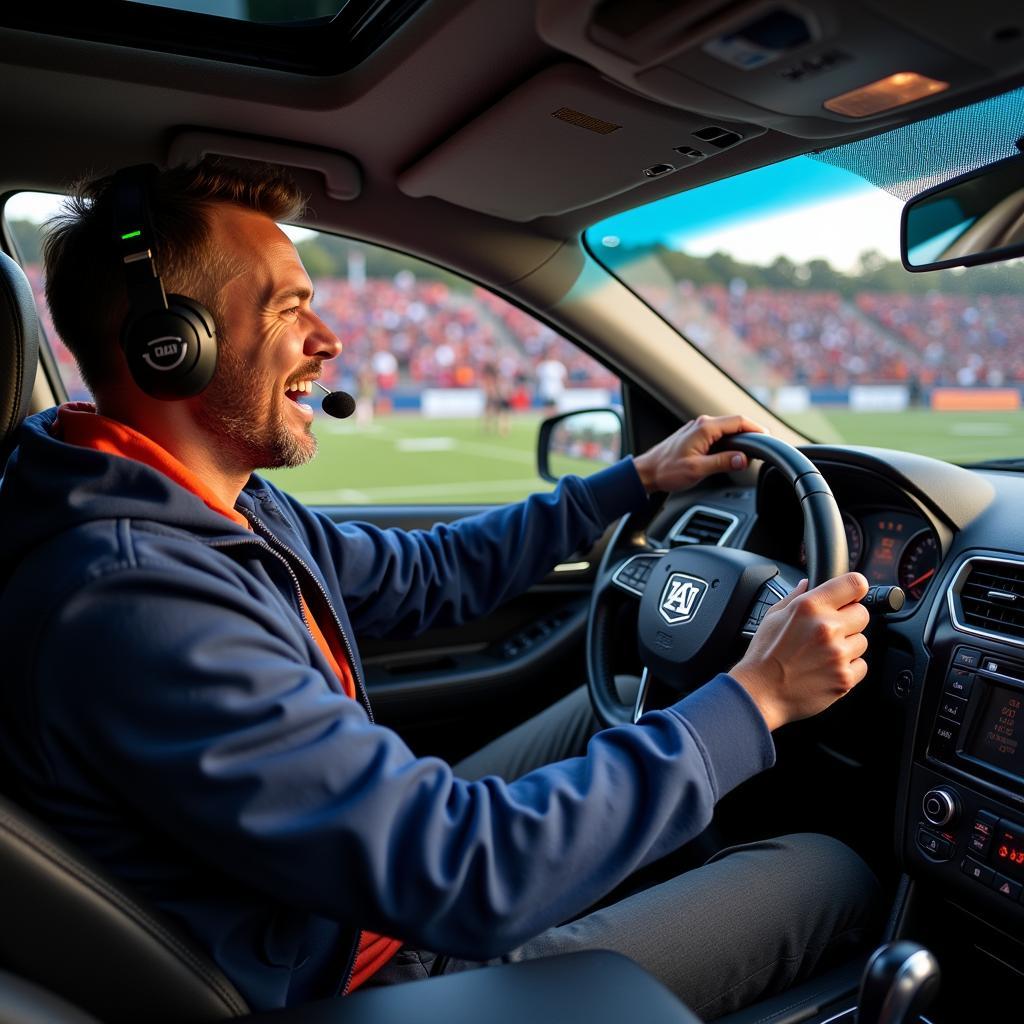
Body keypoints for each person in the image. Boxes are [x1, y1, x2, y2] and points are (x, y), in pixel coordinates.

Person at [0, 160, 877, 1019]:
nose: (328, 341)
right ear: (171, 346)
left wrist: (635, 480)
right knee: (830, 872)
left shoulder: (213, 506)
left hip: (342, 908)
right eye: (289, 307)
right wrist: (755, 699)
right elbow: (468, 871)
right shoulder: (137, 601)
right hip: (360, 977)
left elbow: (427, 575)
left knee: (598, 717)